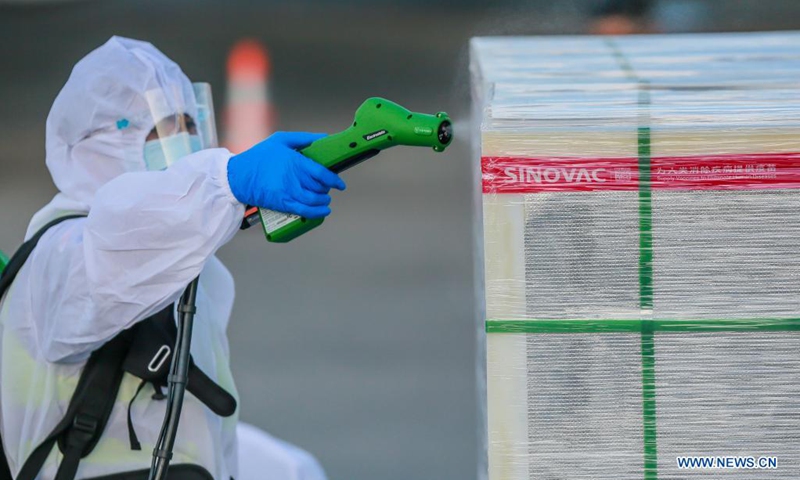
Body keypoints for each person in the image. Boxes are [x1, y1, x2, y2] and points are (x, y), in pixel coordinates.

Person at [0, 36, 345, 480]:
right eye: (159, 131)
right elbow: (116, 251)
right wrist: (227, 181)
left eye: (188, 124)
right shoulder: (61, 254)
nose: (183, 143)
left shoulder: (181, 259)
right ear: (96, 145)